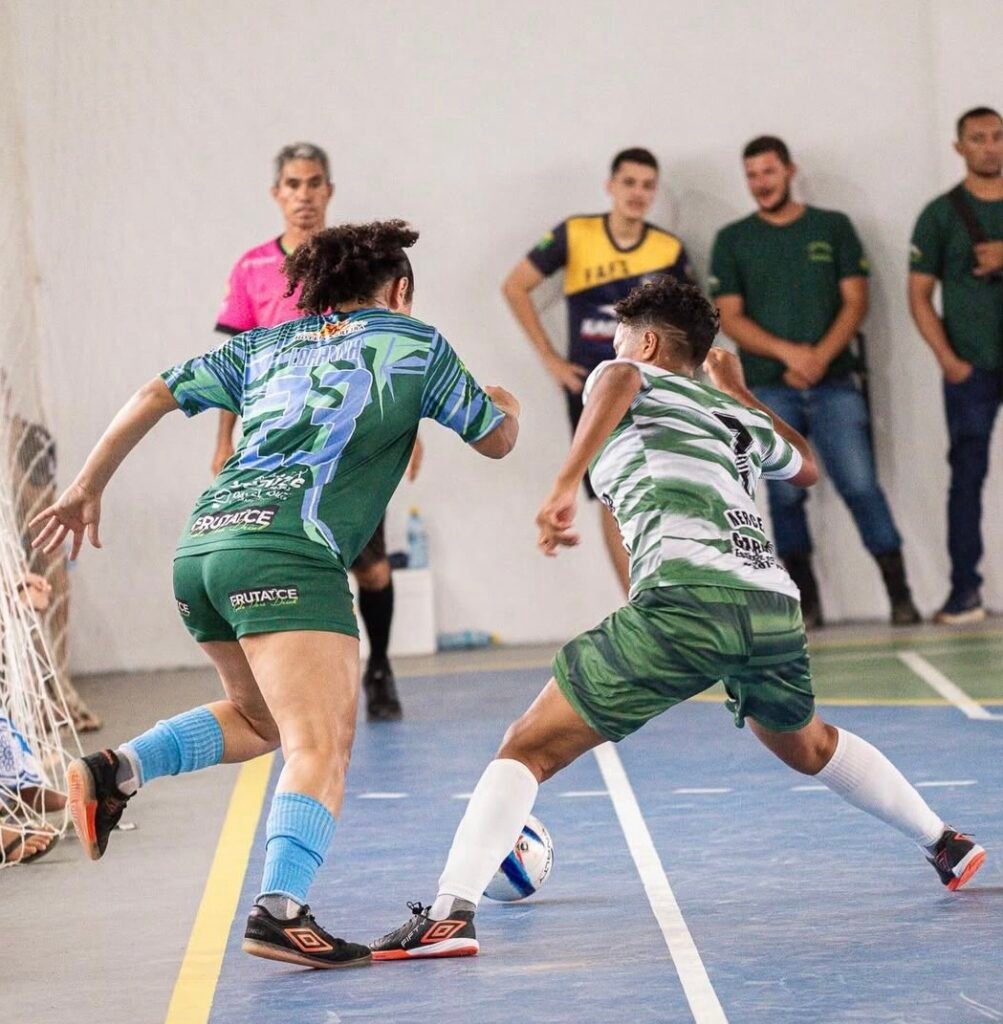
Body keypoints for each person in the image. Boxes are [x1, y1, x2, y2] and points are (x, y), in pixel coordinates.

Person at [369, 277, 984, 961]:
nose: (614, 350)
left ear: (650, 341)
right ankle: (945, 843)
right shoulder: (729, 413)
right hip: (770, 606)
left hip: (687, 599)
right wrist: (740, 392)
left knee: (527, 746)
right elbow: (804, 467)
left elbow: (615, 383)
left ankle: (451, 913)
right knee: (804, 742)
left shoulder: (625, 371)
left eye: (623, 337)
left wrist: (563, 483)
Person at [31, 221, 519, 968]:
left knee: (261, 720)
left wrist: (85, 484)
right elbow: (496, 439)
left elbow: (153, 391)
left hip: (204, 547)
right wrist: (502, 398)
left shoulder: (265, 343)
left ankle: (114, 771)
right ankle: (279, 910)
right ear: (400, 289)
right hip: (288, 553)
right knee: (320, 744)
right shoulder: (413, 341)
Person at [213, 141, 417, 719]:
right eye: (293, 184)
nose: (304, 195)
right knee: (293, 557)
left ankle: (379, 666)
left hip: (348, 439)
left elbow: (389, 342)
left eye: (314, 183)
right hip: (276, 444)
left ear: (329, 191)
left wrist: (407, 424)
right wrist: (223, 439)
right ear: (278, 193)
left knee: (371, 565)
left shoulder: (354, 261)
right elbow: (236, 360)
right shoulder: (253, 268)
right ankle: (296, 687)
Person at [710, 136, 919, 628]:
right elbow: (731, 318)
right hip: (767, 390)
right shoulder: (732, 240)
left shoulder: (834, 226)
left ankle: (901, 594)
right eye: (752, 175)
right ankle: (807, 605)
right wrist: (790, 354)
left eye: (768, 172)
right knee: (784, 495)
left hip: (836, 382)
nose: (761, 183)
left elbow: (856, 299)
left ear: (789, 170)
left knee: (861, 485)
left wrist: (819, 357)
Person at [502, 147, 693, 594]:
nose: (638, 193)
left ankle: (673, 597)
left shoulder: (669, 249)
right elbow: (515, 286)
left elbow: (687, 322)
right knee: (614, 496)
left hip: (654, 390)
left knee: (664, 490)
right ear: (611, 186)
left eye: (647, 185)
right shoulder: (575, 233)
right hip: (594, 390)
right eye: (629, 182)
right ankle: (640, 605)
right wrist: (550, 359)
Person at [909, 106, 1003, 624]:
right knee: (966, 477)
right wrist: (949, 360)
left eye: (997, 137)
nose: (990, 146)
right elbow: (918, 295)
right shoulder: (941, 213)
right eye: (978, 138)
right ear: (959, 147)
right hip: (971, 367)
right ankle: (964, 591)